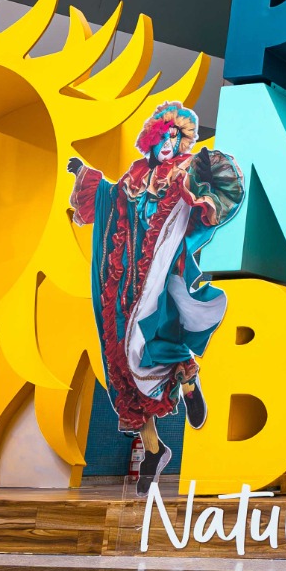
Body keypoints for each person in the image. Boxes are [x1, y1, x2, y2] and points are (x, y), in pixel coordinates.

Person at [68, 103, 245, 483]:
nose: (169, 143)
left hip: (163, 272)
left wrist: (201, 175)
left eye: (176, 138)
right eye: (164, 136)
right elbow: (108, 202)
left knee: (156, 336)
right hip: (125, 279)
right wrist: (85, 176)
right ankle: (153, 449)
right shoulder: (133, 177)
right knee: (122, 365)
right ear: (151, 139)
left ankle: (188, 379)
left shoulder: (183, 173)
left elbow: (210, 194)